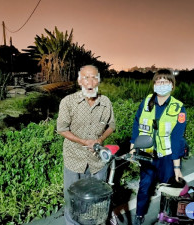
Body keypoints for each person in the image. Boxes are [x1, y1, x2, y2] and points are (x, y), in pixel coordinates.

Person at [57, 65, 115, 225]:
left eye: (94, 77)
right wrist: (83, 142)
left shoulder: (105, 102)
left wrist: (101, 139)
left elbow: (112, 126)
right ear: (79, 81)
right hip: (74, 159)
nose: (90, 81)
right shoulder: (68, 102)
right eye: (86, 77)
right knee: (73, 199)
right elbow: (61, 129)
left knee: (97, 200)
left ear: (99, 80)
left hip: (97, 161)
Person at [130, 69, 187, 225]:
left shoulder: (178, 108)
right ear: (154, 84)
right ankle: (139, 215)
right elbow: (137, 123)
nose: (161, 85)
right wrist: (133, 146)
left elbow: (177, 139)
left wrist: (177, 167)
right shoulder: (147, 101)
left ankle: (165, 216)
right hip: (147, 154)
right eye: (158, 81)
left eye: (165, 81)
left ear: (172, 85)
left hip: (166, 157)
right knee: (144, 187)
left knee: (167, 190)